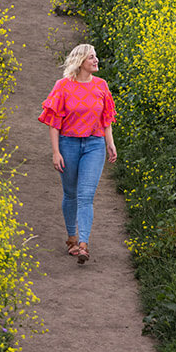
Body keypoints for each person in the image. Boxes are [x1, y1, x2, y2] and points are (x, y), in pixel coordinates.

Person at [38, 43, 117, 264]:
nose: (96, 60)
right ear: (80, 61)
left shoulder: (101, 85)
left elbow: (107, 118)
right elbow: (54, 122)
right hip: (68, 144)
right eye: (92, 57)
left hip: (94, 144)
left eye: (96, 56)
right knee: (71, 193)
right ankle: (72, 238)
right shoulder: (62, 86)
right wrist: (56, 152)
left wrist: (110, 144)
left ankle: (83, 244)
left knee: (86, 196)